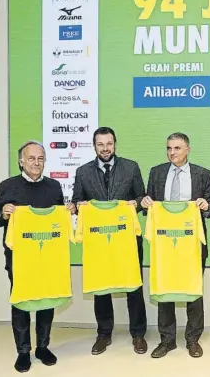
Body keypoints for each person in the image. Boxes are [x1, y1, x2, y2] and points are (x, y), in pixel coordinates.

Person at [0, 140, 75, 372]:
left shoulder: (54, 187)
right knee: (22, 303)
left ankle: (43, 347)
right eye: (32, 158)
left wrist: (68, 212)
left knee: (47, 301)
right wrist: (4, 214)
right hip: (19, 258)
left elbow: (59, 218)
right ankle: (23, 351)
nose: (36, 163)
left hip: (49, 258)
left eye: (40, 158)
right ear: (21, 161)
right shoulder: (7, 186)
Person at [71, 127, 148, 356]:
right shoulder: (83, 172)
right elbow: (76, 201)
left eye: (109, 143)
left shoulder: (131, 167)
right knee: (100, 286)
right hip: (98, 241)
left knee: (134, 285)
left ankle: (138, 334)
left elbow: (142, 198)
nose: (105, 148)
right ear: (94, 146)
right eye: (100, 144)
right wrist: (79, 206)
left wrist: (135, 203)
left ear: (115, 144)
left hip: (127, 239)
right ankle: (104, 334)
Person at [141, 132, 210, 359]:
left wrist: (205, 205)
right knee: (165, 292)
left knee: (194, 292)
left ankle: (193, 340)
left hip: (192, 246)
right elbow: (148, 206)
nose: (172, 152)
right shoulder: (157, 172)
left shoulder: (203, 174)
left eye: (176, 148)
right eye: (169, 148)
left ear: (187, 149)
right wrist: (145, 202)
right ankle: (167, 340)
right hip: (165, 245)